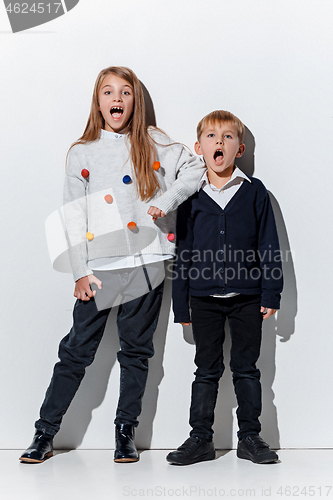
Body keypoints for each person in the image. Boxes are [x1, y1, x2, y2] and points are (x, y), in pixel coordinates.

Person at [20, 66, 204, 464]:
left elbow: (195, 169)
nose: (116, 98)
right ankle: (44, 432)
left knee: (136, 353)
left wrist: (168, 201)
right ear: (98, 101)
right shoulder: (82, 151)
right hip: (99, 269)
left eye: (125, 92)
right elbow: (72, 216)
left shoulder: (155, 142)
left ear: (134, 100)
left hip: (148, 262)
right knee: (75, 352)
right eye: (108, 92)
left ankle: (125, 433)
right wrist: (80, 270)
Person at [167, 110, 283, 466]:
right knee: (206, 369)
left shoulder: (255, 191)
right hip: (202, 299)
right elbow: (182, 250)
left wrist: (271, 293)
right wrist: (181, 305)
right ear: (199, 148)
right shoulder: (190, 194)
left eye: (228, 137)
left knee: (247, 369)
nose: (220, 142)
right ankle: (200, 438)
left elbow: (269, 245)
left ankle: (250, 437)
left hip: (248, 297)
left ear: (240, 148)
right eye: (212, 137)